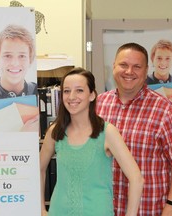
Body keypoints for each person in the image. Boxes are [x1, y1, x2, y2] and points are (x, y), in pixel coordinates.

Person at [96, 42, 172, 216]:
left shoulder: (165, 109)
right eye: (123, 65)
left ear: (146, 70)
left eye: (137, 66)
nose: (129, 72)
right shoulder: (97, 106)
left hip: (147, 209)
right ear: (114, 66)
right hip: (103, 208)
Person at [40, 67, 144, 216]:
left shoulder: (107, 132)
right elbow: (38, 169)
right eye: (66, 91)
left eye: (79, 90)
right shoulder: (55, 132)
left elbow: (137, 179)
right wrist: (41, 209)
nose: (71, 97)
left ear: (92, 95)